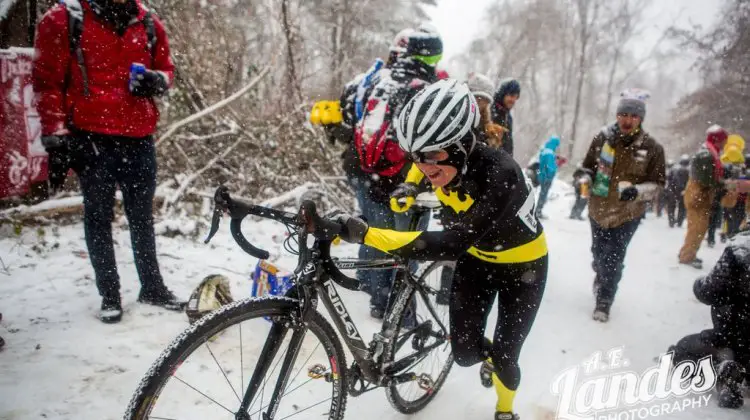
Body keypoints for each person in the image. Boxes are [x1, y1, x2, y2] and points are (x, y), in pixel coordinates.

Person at [335, 79, 548, 420]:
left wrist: (367, 235)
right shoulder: (436, 160)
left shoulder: (501, 173)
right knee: (463, 353)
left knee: (507, 358)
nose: (424, 166)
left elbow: (450, 243)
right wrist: (408, 184)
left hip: (523, 270)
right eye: (416, 157)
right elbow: (420, 169)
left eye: (433, 155)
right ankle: (487, 357)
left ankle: (505, 409)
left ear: (463, 143)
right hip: (478, 261)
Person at [32, 0, 185, 323]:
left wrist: (157, 81)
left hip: (139, 136)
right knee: (99, 218)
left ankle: (152, 287)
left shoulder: (148, 22)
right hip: (91, 137)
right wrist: (56, 138)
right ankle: (110, 296)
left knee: (142, 217)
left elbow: (168, 69)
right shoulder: (66, 18)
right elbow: (47, 82)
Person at [351, 29, 443, 318]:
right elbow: (429, 139)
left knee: (376, 239)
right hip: (406, 184)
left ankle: (376, 299)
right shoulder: (424, 87)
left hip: (371, 177)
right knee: (408, 250)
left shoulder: (382, 81)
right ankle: (402, 315)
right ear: (431, 56)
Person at [581, 89, 665, 322]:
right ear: (617, 115)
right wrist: (584, 178)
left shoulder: (652, 147)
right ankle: (602, 276)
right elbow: (587, 167)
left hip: (627, 214)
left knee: (613, 258)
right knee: (598, 254)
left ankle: (604, 300)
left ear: (641, 119)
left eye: (633, 116)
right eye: (623, 114)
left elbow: (658, 184)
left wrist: (637, 191)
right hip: (598, 209)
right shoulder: (602, 138)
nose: (627, 120)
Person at [667, 229, 750, 409]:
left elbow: (710, 292)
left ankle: (729, 368)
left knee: (682, 350)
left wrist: (699, 284)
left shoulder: (741, 246)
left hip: (736, 336)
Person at [678, 125, 730, 269]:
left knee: (697, 228)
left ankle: (687, 253)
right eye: (723, 140)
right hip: (698, 197)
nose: (725, 144)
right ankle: (687, 256)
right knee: (697, 228)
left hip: (699, 196)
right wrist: (723, 184)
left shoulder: (708, 152)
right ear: (717, 140)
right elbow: (706, 180)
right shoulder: (706, 155)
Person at [491, 78, 521, 157]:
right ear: (503, 94)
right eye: (511, 95)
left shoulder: (508, 117)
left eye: (516, 97)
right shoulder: (490, 110)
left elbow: (508, 144)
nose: (513, 100)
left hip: (503, 163)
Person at [535, 136, 561, 219]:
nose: (557, 147)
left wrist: (539, 174)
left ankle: (537, 211)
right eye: (557, 145)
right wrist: (552, 172)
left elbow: (540, 166)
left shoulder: (544, 151)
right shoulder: (550, 153)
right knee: (543, 194)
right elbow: (550, 168)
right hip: (547, 177)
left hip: (542, 176)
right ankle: (538, 211)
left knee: (542, 193)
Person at [666, 154, 690, 228]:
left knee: (671, 206)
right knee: (682, 206)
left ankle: (672, 221)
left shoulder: (673, 169)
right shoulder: (689, 170)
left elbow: (669, 179)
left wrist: (670, 189)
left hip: (673, 190)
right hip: (682, 190)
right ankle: (679, 222)